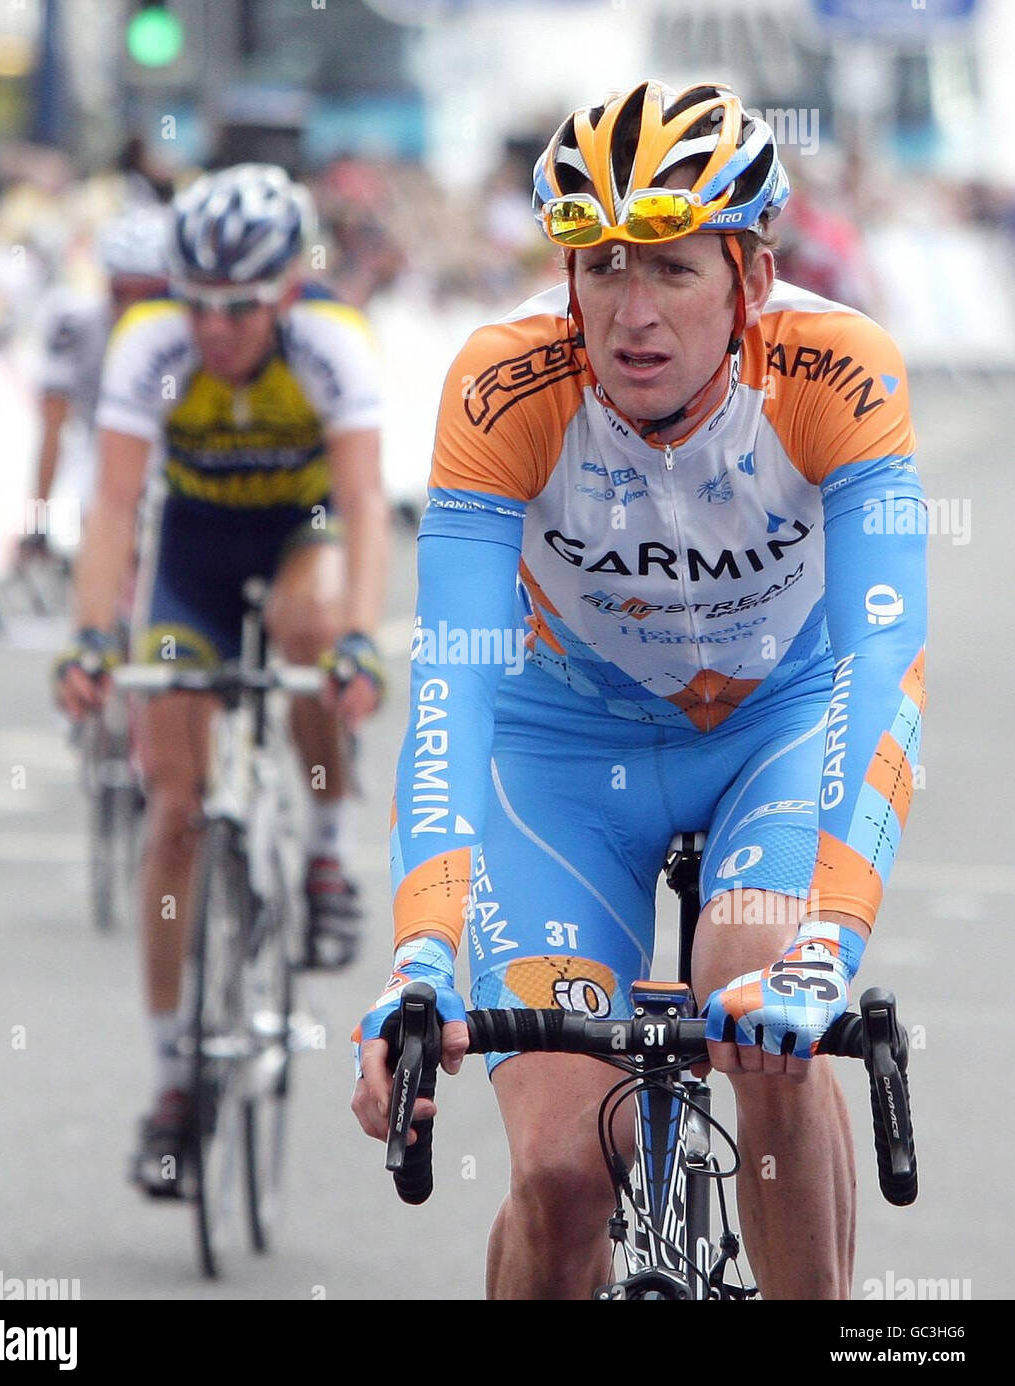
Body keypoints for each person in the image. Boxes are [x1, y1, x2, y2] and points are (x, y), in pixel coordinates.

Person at [352, 81, 926, 1299]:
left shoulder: (839, 371)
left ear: (752, 277)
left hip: (778, 724)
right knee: (562, 1173)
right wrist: (420, 956)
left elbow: (884, 655)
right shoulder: (502, 384)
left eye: (670, 266)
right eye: (600, 265)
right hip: (562, 750)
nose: (631, 310)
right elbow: (455, 677)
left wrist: (831, 939)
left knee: (757, 975)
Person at [54, 163, 388, 1194]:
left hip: (304, 530)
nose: (214, 329)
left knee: (309, 629)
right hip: (194, 550)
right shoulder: (149, 344)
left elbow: (366, 504)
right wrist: (91, 637)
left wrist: (360, 642)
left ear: (286, 291)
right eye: (196, 304)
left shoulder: (333, 343)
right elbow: (114, 508)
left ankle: (327, 846)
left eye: (238, 309)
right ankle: (171, 1085)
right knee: (172, 807)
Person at [22, 205, 172, 561]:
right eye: (121, 292)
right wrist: (36, 524)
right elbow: (52, 428)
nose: (133, 307)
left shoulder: (198, 326)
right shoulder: (75, 323)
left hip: (174, 447)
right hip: (103, 447)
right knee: (99, 517)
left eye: (150, 294)